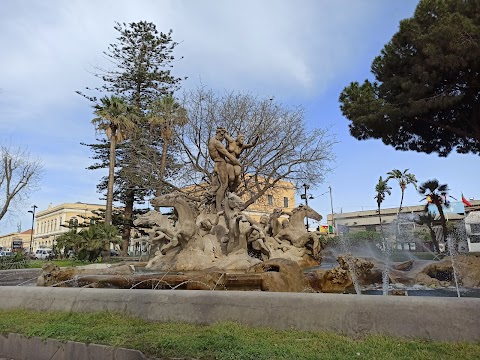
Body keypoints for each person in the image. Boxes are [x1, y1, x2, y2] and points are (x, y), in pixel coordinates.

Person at [208, 128, 241, 211]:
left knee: (221, 186)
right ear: (220, 134)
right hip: (221, 164)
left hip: (218, 163)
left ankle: (219, 206)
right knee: (224, 186)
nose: (223, 139)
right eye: (223, 136)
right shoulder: (216, 143)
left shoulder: (211, 140)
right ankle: (219, 209)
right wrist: (238, 163)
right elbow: (227, 155)